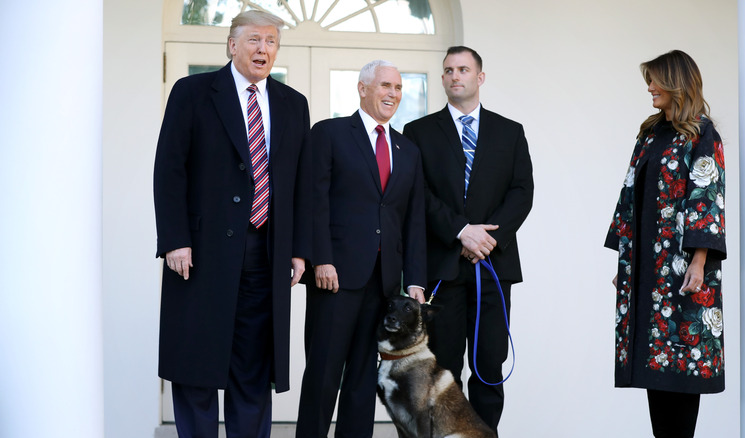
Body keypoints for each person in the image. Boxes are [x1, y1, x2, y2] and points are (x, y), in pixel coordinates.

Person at [153, 10, 311, 438]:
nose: (264, 49)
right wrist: (174, 240)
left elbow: (299, 185)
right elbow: (169, 170)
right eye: (255, 40)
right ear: (232, 45)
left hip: (267, 255)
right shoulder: (192, 91)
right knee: (198, 366)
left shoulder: (293, 104)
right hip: (199, 254)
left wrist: (298, 249)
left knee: (253, 370)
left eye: (271, 41)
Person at [403, 46, 534, 435]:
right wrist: (461, 231)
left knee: (489, 365)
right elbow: (419, 194)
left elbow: (522, 192)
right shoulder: (419, 132)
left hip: (493, 267)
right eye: (448, 71)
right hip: (443, 268)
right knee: (443, 368)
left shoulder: (509, 132)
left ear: (480, 77)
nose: (454, 76)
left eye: (463, 69)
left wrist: (485, 239)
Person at [295, 60, 427, 438]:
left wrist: (415, 279)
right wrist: (321, 258)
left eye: (398, 88)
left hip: (384, 283)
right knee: (323, 375)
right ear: (362, 88)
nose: (393, 94)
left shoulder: (407, 150)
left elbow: (412, 219)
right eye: (385, 85)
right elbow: (313, 201)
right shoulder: (330, 133)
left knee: (363, 380)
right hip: (334, 277)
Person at [605, 50, 726, 438]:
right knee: (654, 367)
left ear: (676, 82)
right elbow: (629, 195)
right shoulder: (650, 133)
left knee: (682, 367)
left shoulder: (703, 134)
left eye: (655, 80)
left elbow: (707, 196)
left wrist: (699, 260)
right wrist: (625, 262)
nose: (650, 87)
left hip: (683, 270)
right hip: (647, 270)